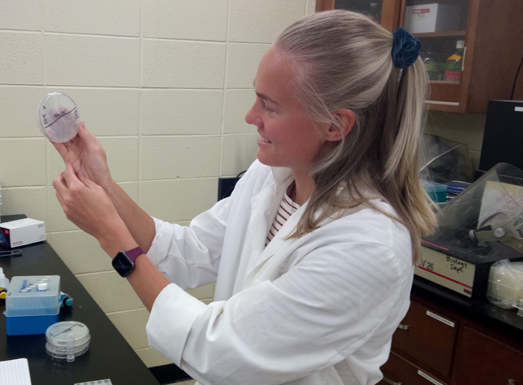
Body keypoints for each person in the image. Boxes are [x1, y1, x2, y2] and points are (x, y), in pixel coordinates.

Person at [52, 10, 436, 385]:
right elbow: (187, 250)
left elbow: (219, 351)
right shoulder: (271, 175)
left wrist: (113, 239)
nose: (251, 116)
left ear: (334, 125)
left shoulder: (368, 248)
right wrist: (104, 186)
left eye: (270, 106)